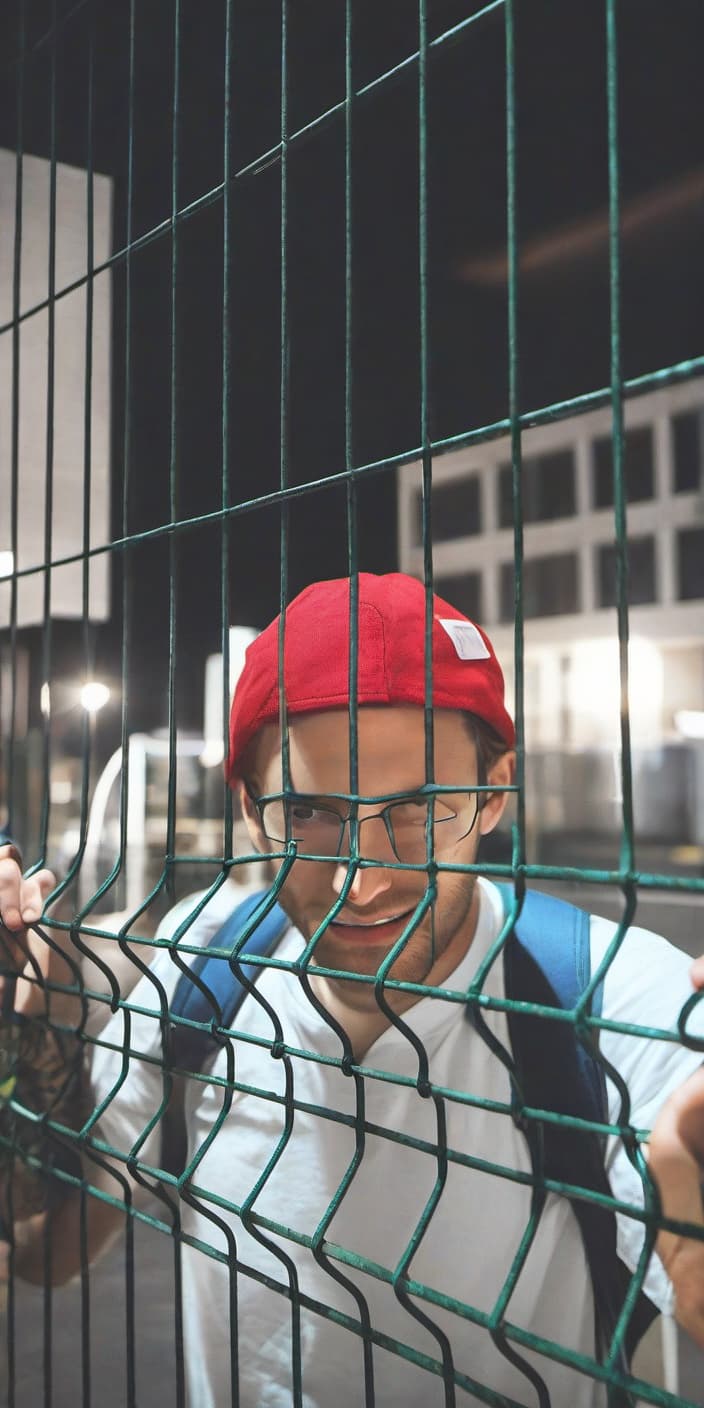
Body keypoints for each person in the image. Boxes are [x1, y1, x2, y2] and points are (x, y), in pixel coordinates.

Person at [0, 571, 703, 1407]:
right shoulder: (207, 955)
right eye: (309, 814)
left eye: (419, 809)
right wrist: (25, 1043)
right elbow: (46, 1251)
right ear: (248, 804)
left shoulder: (613, 993)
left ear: (494, 792)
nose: (361, 881)